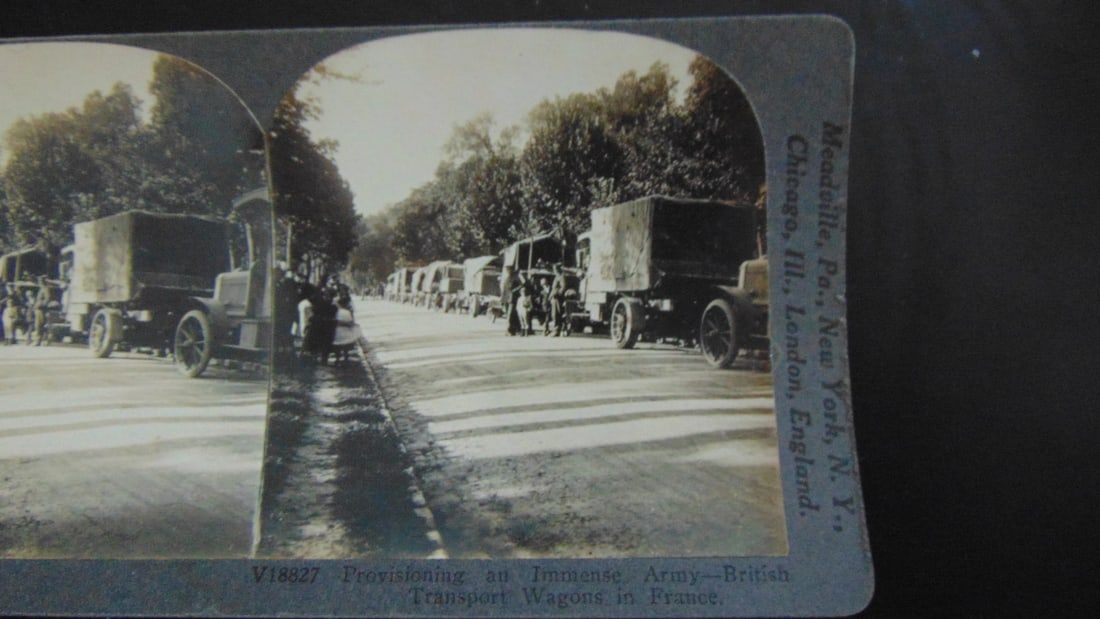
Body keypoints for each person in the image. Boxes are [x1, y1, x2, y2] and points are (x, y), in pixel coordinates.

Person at [330, 297, 361, 365]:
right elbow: (351, 321)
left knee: (337, 346)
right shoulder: (348, 312)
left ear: (338, 304)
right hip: (346, 331)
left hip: (338, 330)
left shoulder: (337, 312)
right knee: (345, 346)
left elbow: (335, 321)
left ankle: (337, 359)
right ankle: (346, 358)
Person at [32, 276, 51, 346]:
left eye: (40, 281)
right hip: (38, 309)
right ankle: (39, 340)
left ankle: (40, 340)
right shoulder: (41, 289)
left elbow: (47, 299)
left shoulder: (45, 289)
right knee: (37, 325)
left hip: (41, 309)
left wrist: (40, 304)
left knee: (39, 325)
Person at [550, 264, 568, 336]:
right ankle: (557, 329)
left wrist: (557, 294)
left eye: (555, 269)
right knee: (554, 314)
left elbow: (563, 287)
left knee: (556, 314)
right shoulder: (556, 277)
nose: (554, 270)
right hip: (553, 297)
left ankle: (557, 330)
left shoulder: (561, 277)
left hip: (557, 298)